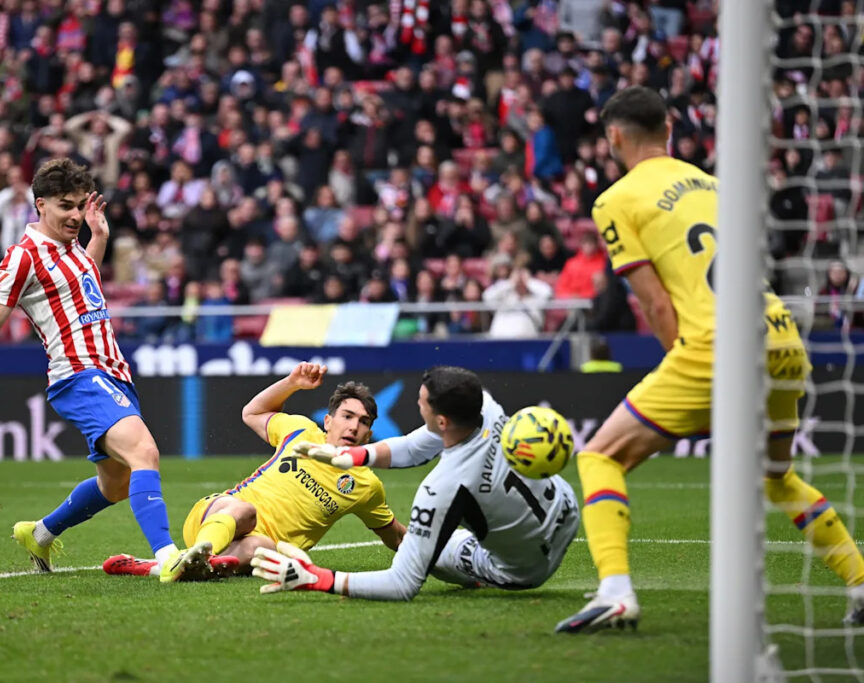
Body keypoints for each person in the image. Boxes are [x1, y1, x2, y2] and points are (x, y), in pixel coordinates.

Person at [552, 87, 864, 632]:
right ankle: (860, 579)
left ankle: (615, 591)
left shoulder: (616, 200)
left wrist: (689, 371)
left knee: (600, 456)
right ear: (668, 129)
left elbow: (653, 302)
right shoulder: (718, 185)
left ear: (614, 138)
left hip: (714, 349)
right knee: (776, 476)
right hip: (780, 337)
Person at [0, 159, 194, 584]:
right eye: (67, 206)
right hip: (79, 375)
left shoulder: (73, 250)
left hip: (113, 373)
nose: (77, 216)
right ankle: (169, 556)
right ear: (40, 204)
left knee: (117, 484)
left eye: (82, 205)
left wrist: (98, 237)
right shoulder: (21, 258)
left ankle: (40, 533)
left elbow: (84, 285)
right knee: (145, 453)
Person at [249, 365, 579, 601]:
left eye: (422, 402)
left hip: (526, 571)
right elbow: (415, 445)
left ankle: (481, 579)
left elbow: (401, 583)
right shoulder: (485, 406)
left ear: (441, 420)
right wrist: (355, 457)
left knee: (421, 548)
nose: (417, 404)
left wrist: (319, 578)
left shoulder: (442, 489)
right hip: (566, 512)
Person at [103, 362, 405, 578]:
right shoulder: (299, 430)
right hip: (218, 513)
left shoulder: (366, 486)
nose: (353, 426)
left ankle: (166, 566)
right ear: (328, 421)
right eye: (347, 416)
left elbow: (396, 538)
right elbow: (252, 412)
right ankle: (196, 553)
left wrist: (443, 545)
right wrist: (292, 383)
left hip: (254, 545)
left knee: (265, 550)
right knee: (245, 511)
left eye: (363, 422)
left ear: (368, 434)